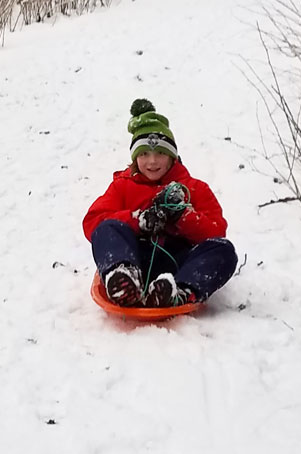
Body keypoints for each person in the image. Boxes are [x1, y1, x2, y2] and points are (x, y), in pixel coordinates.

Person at [83, 98, 237, 308]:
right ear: (135, 158)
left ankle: (179, 291)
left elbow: (216, 231)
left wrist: (183, 216)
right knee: (106, 228)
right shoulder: (122, 186)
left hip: (178, 264)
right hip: (135, 256)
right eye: (144, 154)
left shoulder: (194, 188)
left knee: (223, 250)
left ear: (172, 157)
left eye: (160, 154)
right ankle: (123, 278)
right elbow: (92, 222)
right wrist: (139, 220)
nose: (152, 162)